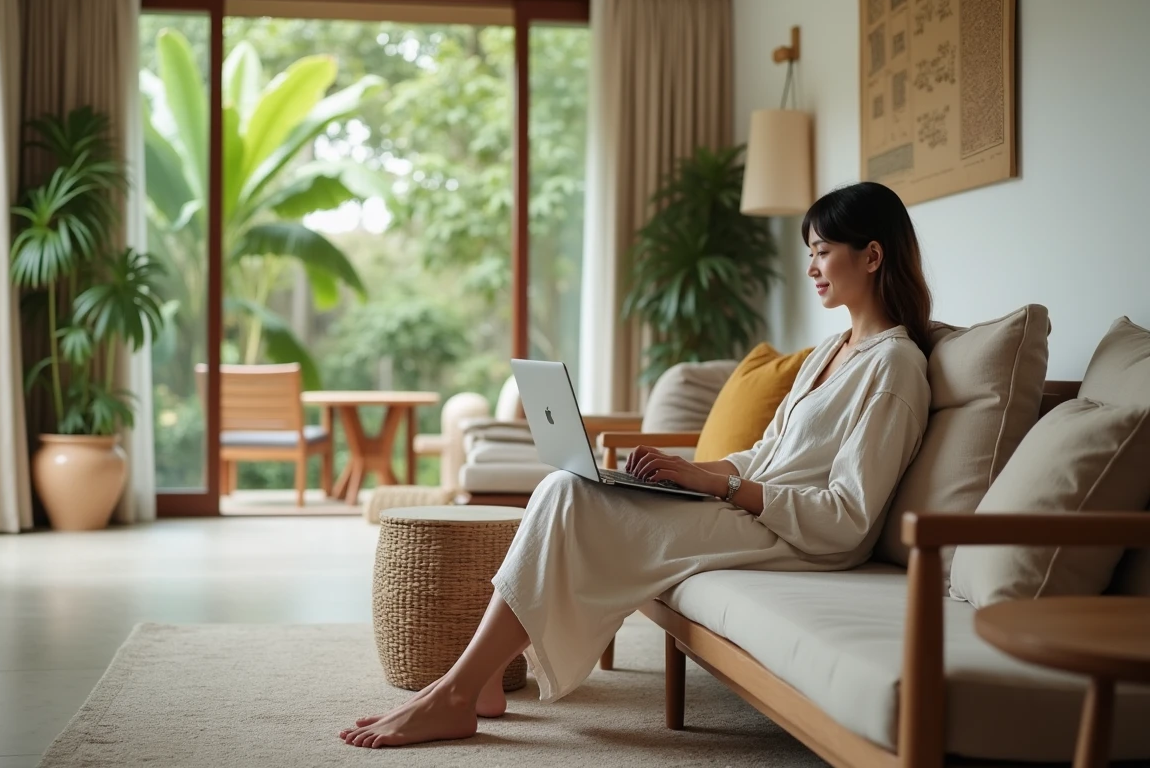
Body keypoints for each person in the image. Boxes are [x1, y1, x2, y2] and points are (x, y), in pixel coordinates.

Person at [339, 180, 934, 749]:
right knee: (564, 485)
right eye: (809, 253)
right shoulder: (831, 352)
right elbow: (768, 453)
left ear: (873, 255)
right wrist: (694, 472)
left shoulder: (895, 367)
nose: (810, 268)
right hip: (749, 508)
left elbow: (848, 517)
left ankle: (456, 692)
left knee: (570, 497)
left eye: (822, 252)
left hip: (801, 537)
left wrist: (724, 486)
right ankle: (478, 680)